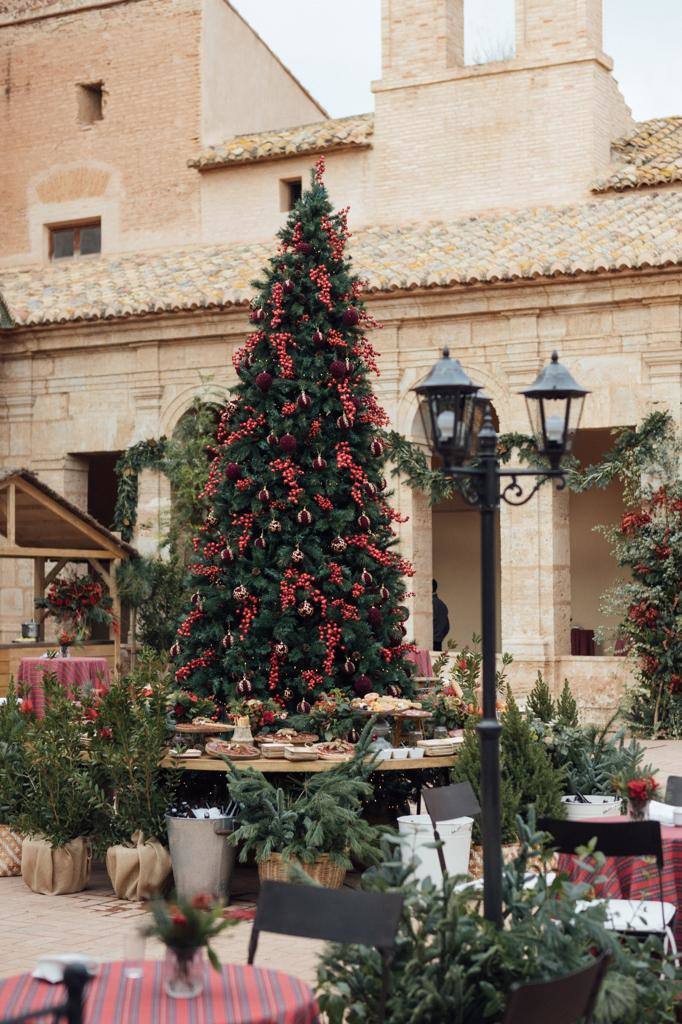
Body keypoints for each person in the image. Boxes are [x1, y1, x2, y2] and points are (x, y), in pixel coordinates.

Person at [432, 579, 450, 651]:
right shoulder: (442, 604)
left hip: (428, 643)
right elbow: (447, 627)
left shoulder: (428, 604)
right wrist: (439, 638)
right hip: (438, 643)